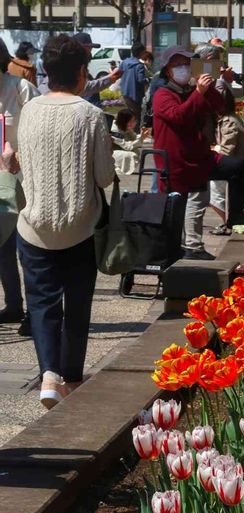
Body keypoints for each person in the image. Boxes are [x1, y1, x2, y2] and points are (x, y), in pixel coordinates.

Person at [16, 34, 115, 409]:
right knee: (77, 304)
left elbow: (26, 165)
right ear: (80, 72)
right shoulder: (89, 114)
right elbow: (104, 177)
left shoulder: (30, 109)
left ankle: (48, 375)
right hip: (80, 227)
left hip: (34, 225)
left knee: (41, 304)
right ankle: (71, 378)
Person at [152, 47, 244, 260]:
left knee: (236, 167)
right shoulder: (162, 94)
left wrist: (208, 86)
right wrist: (198, 93)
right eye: (177, 65)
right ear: (167, 71)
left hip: (200, 157)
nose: (183, 69)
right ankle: (185, 251)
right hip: (176, 163)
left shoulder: (192, 90)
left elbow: (219, 105)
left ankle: (236, 216)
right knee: (182, 209)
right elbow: (179, 116)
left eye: (187, 64)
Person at [0, 39, 37, 335]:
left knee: (26, 248)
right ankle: (13, 305)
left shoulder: (20, 88)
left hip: (22, 181)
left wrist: (20, 156)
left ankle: (34, 312)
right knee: (2, 249)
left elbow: (39, 132)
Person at [209, 86, 244, 233]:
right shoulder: (227, 118)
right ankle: (230, 220)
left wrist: (212, 149)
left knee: (214, 189)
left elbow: (226, 150)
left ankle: (229, 221)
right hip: (242, 165)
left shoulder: (229, 122)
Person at [72, 32, 122, 107]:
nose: (90, 50)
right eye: (87, 48)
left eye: (91, 47)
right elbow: (85, 88)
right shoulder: (71, 68)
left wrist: (111, 77)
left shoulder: (82, 66)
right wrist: (110, 78)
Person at [120, 42, 148, 122]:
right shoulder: (139, 66)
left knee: (129, 114)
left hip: (125, 92)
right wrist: (148, 80)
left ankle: (128, 131)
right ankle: (135, 132)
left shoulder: (124, 62)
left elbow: (119, 74)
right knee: (137, 116)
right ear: (141, 52)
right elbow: (141, 80)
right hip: (135, 95)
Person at [110, 107, 141, 175]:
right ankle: (115, 169)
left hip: (117, 150)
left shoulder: (125, 126)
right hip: (109, 153)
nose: (134, 123)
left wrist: (133, 133)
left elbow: (134, 138)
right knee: (130, 155)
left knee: (136, 151)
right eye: (132, 121)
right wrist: (140, 139)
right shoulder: (114, 129)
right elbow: (127, 146)